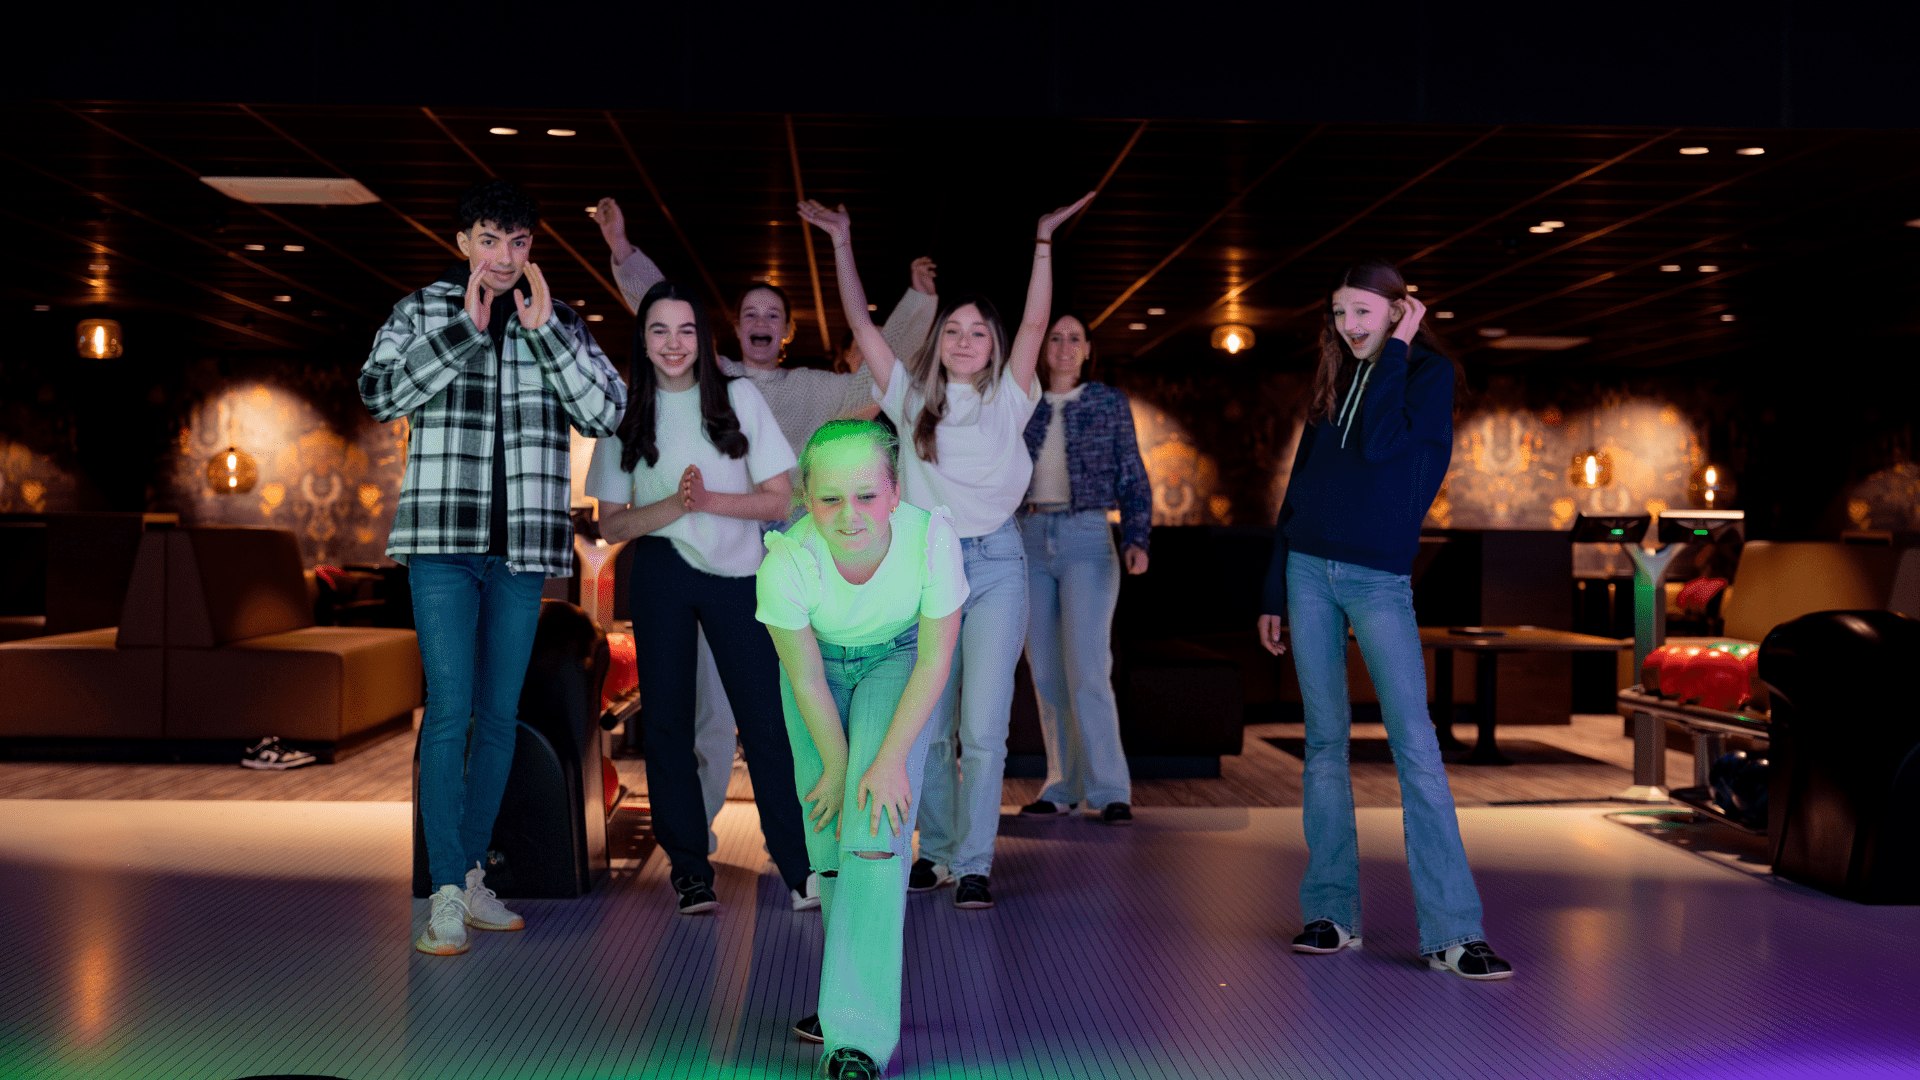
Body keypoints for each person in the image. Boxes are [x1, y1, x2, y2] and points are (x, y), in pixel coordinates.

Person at [597, 198, 939, 870]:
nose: (760, 323)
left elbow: (878, 372)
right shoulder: (714, 380)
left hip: (801, 568)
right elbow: (663, 311)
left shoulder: (812, 391)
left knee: (798, 712)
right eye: (749, 313)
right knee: (710, 715)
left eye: (772, 316)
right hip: (720, 562)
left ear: (785, 332)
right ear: (733, 327)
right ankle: (693, 846)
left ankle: (809, 846)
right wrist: (623, 251)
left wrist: (919, 304)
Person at [801, 189, 1094, 910]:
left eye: (977, 332)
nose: (964, 341)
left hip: (996, 567)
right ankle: (931, 852)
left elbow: (1035, 320)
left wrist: (1044, 242)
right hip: (928, 568)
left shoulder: (1011, 397)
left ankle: (973, 863)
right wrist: (841, 242)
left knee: (983, 727)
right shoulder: (909, 399)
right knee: (927, 728)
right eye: (954, 330)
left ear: (994, 344)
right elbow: (861, 325)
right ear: (938, 341)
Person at [360, 178, 626, 956]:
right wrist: (463, 333)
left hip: (523, 549)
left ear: (531, 246)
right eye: (488, 240)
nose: (504, 257)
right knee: (450, 709)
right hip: (442, 542)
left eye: (517, 242)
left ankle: (471, 873)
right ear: (462, 243)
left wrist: (547, 337)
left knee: (501, 716)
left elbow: (608, 411)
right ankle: (446, 889)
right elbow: (379, 393)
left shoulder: (558, 319)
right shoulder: (422, 311)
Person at [1257, 257, 1513, 981]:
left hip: (1377, 580)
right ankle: (1330, 914)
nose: (1348, 326)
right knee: (1324, 747)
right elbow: (1300, 488)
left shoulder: (1427, 376)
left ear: (1400, 310)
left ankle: (1454, 932)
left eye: (1363, 311)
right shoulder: (1334, 377)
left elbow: (1382, 444)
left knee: (1416, 750)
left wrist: (1397, 348)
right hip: (1307, 570)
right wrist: (1273, 587)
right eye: (1339, 313)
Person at [584, 280, 814, 914]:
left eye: (685, 330)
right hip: (661, 571)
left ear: (703, 338)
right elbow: (611, 525)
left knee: (766, 723)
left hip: (739, 575)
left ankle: (798, 867)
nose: (673, 343)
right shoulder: (626, 413)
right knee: (667, 726)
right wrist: (673, 506)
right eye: (659, 330)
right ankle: (689, 871)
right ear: (643, 340)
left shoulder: (739, 398)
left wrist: (709, 501)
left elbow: (780, 500)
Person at [757, 418, 965, 1080]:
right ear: (806, 499)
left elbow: (934, 659)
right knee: (828, 834)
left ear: (895, 492)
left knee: (874, 826)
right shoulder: (786, 561)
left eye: (867, 496)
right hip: (819, 671)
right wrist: (839, 768)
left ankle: (858, 1036)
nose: (850, 516)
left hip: (899, 660)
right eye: (830, 499)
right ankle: (848, 992)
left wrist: (887, 762)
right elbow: (805, 678)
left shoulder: (932, 540)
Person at [1015, 313, 1153, 825]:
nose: (1065, 345)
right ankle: (1061, 787)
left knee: (1089, 669)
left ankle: (1111, 789)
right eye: (1055, 337)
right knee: (1046, 671)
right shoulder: (1021, 401)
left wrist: (1137, 538)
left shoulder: (1107, 403)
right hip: (1028, 537)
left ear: (1089, 349)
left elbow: (1133, 474)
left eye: (1075, 337)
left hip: (1088, 537)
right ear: (1042, 347)